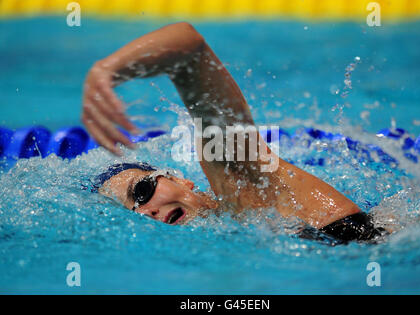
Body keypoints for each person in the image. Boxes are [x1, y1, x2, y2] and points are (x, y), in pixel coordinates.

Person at [83, 22, 385, 244]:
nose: (144, 211)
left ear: (179, 179)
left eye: (142, 191)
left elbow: (189, 49)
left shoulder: (241, 179)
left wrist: (107, 69)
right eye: (130, 212)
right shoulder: (222, 241)